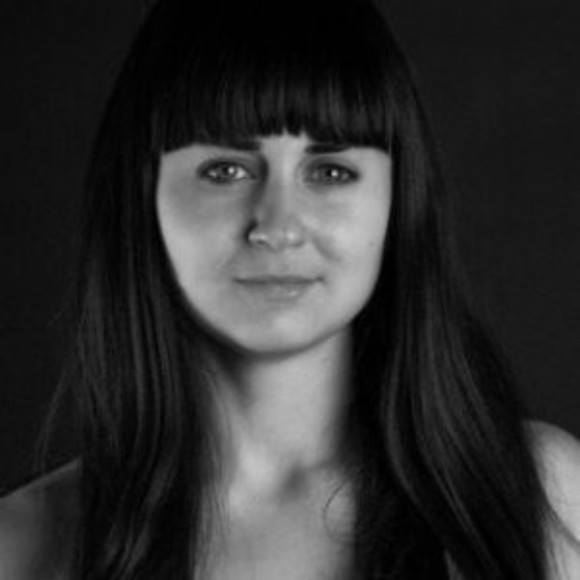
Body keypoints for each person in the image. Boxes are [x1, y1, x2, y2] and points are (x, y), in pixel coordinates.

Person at [1, 0, 579, 577]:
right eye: (225, 171)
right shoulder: (18, 549)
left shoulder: (543, 498)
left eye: (330, 171)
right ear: (141, 195)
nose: (278, 226)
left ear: (397, 200)